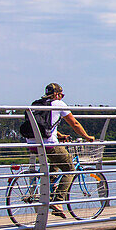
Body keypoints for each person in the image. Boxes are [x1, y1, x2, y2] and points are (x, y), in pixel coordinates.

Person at [22, 83, 95, 217]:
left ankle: (52, 188)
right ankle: (58, 200)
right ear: (57, 94)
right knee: (70, 169)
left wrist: (61, 136)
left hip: (32, 144)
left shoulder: (37, 104)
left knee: (55, 162)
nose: (61, 97)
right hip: (48, 144)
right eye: (61, 95)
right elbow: (74, 123)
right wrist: (87, 136)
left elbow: (45, 125)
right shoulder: (59, 104)